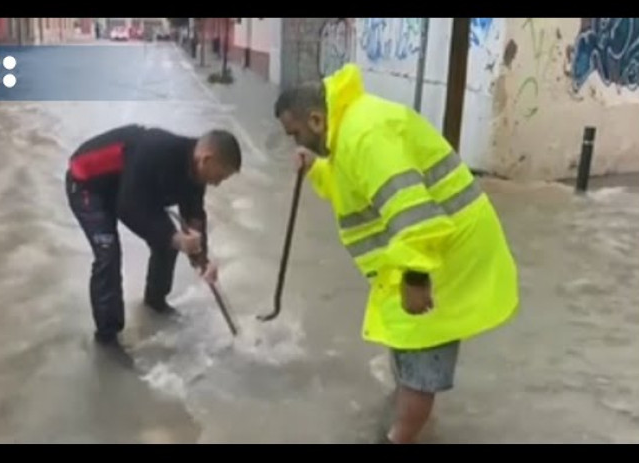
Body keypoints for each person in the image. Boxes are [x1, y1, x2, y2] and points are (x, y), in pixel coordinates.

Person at [273, 64, 519, 444]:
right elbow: (353, 188)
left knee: (420, 348)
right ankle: (405, 412)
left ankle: (399, 436)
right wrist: (318, 169)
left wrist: (417, 276)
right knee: (406, 341)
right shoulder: (347, 132)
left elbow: (414, 213)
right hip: (429, 248)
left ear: (317, 119)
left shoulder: (365, 135)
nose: (297, 143)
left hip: (443, 253)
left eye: (296, 134)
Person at [65, 124, 241, 345]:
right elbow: (127, 207)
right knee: (108, 253)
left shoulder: (195, 175)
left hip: (127, 187)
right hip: (88, 183)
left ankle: (155, 302)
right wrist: (175, 238)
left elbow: (194, 217)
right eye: (220, 176)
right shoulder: (158, 150)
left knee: (168, 241)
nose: (217, 183)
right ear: (207, 159)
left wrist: (202, 260)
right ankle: (107, 337)